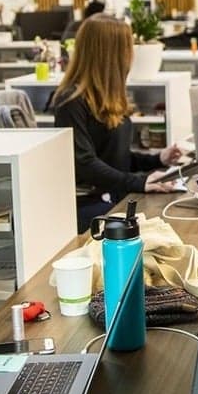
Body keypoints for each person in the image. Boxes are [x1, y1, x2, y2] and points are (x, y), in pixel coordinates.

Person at [51, 14, 185, 232]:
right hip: (90, 205)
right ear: (112, 54)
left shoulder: (108, 96)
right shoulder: (71, 102)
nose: (132, 54)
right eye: (129, 47)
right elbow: (85, 164)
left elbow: (115, 156)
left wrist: (157, 159)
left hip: (113, 194)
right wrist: (139, 182)